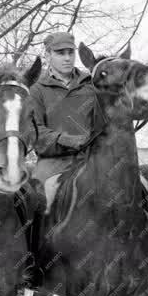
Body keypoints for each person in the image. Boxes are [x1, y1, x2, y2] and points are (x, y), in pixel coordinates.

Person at [29, 31, 96, 185]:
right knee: (39, 199)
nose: (67, 58)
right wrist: (65, 140)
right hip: (52, 163)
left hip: (94, 158)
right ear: (47, 55)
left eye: (70, 52)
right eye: (60, 53)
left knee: (137, 188)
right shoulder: (36, 89)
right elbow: (34, 131)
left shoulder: (91, 84)